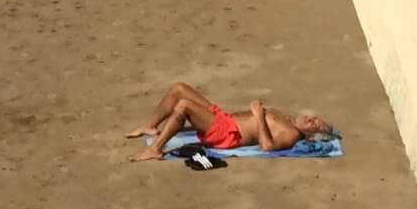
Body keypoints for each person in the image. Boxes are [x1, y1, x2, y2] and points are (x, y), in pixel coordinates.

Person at [122, 81, 332, 160]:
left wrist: (259, 116)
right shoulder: (288, 121)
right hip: (224, 119)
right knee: (179, 89)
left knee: (184, 106)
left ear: (310, 134)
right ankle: (150, 126)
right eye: (315, 118)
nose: (311, 119)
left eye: (314, 124)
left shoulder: (292, 134)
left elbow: (267, 146)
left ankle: (156, 148)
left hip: (227, 134)